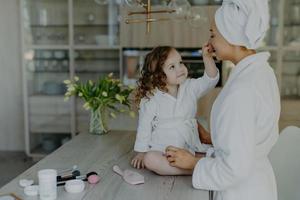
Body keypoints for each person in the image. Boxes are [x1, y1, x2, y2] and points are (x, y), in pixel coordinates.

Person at [166, 0, 280, 200]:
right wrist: (214, 139)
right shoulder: (262, 72)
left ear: (231, 36)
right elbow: (251, 133)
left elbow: (234, 169)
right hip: (259, 184)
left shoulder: (241, 91)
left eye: (213, 35)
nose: (209, 43)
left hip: (241, 192)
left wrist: (193, 163)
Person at [131, 45, 219, 175]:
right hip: (163, 148)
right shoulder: (151, 98)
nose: (180, 68)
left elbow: (210, 80)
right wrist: (141, 152)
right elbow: (144, 126)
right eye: (172, 67)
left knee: (217, 152)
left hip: (189, 145)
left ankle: (194, 163)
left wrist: (207, 58)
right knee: (150, 159)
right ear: (159, 76)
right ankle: (194, 169)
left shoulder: (190, 87)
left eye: (180, 62)